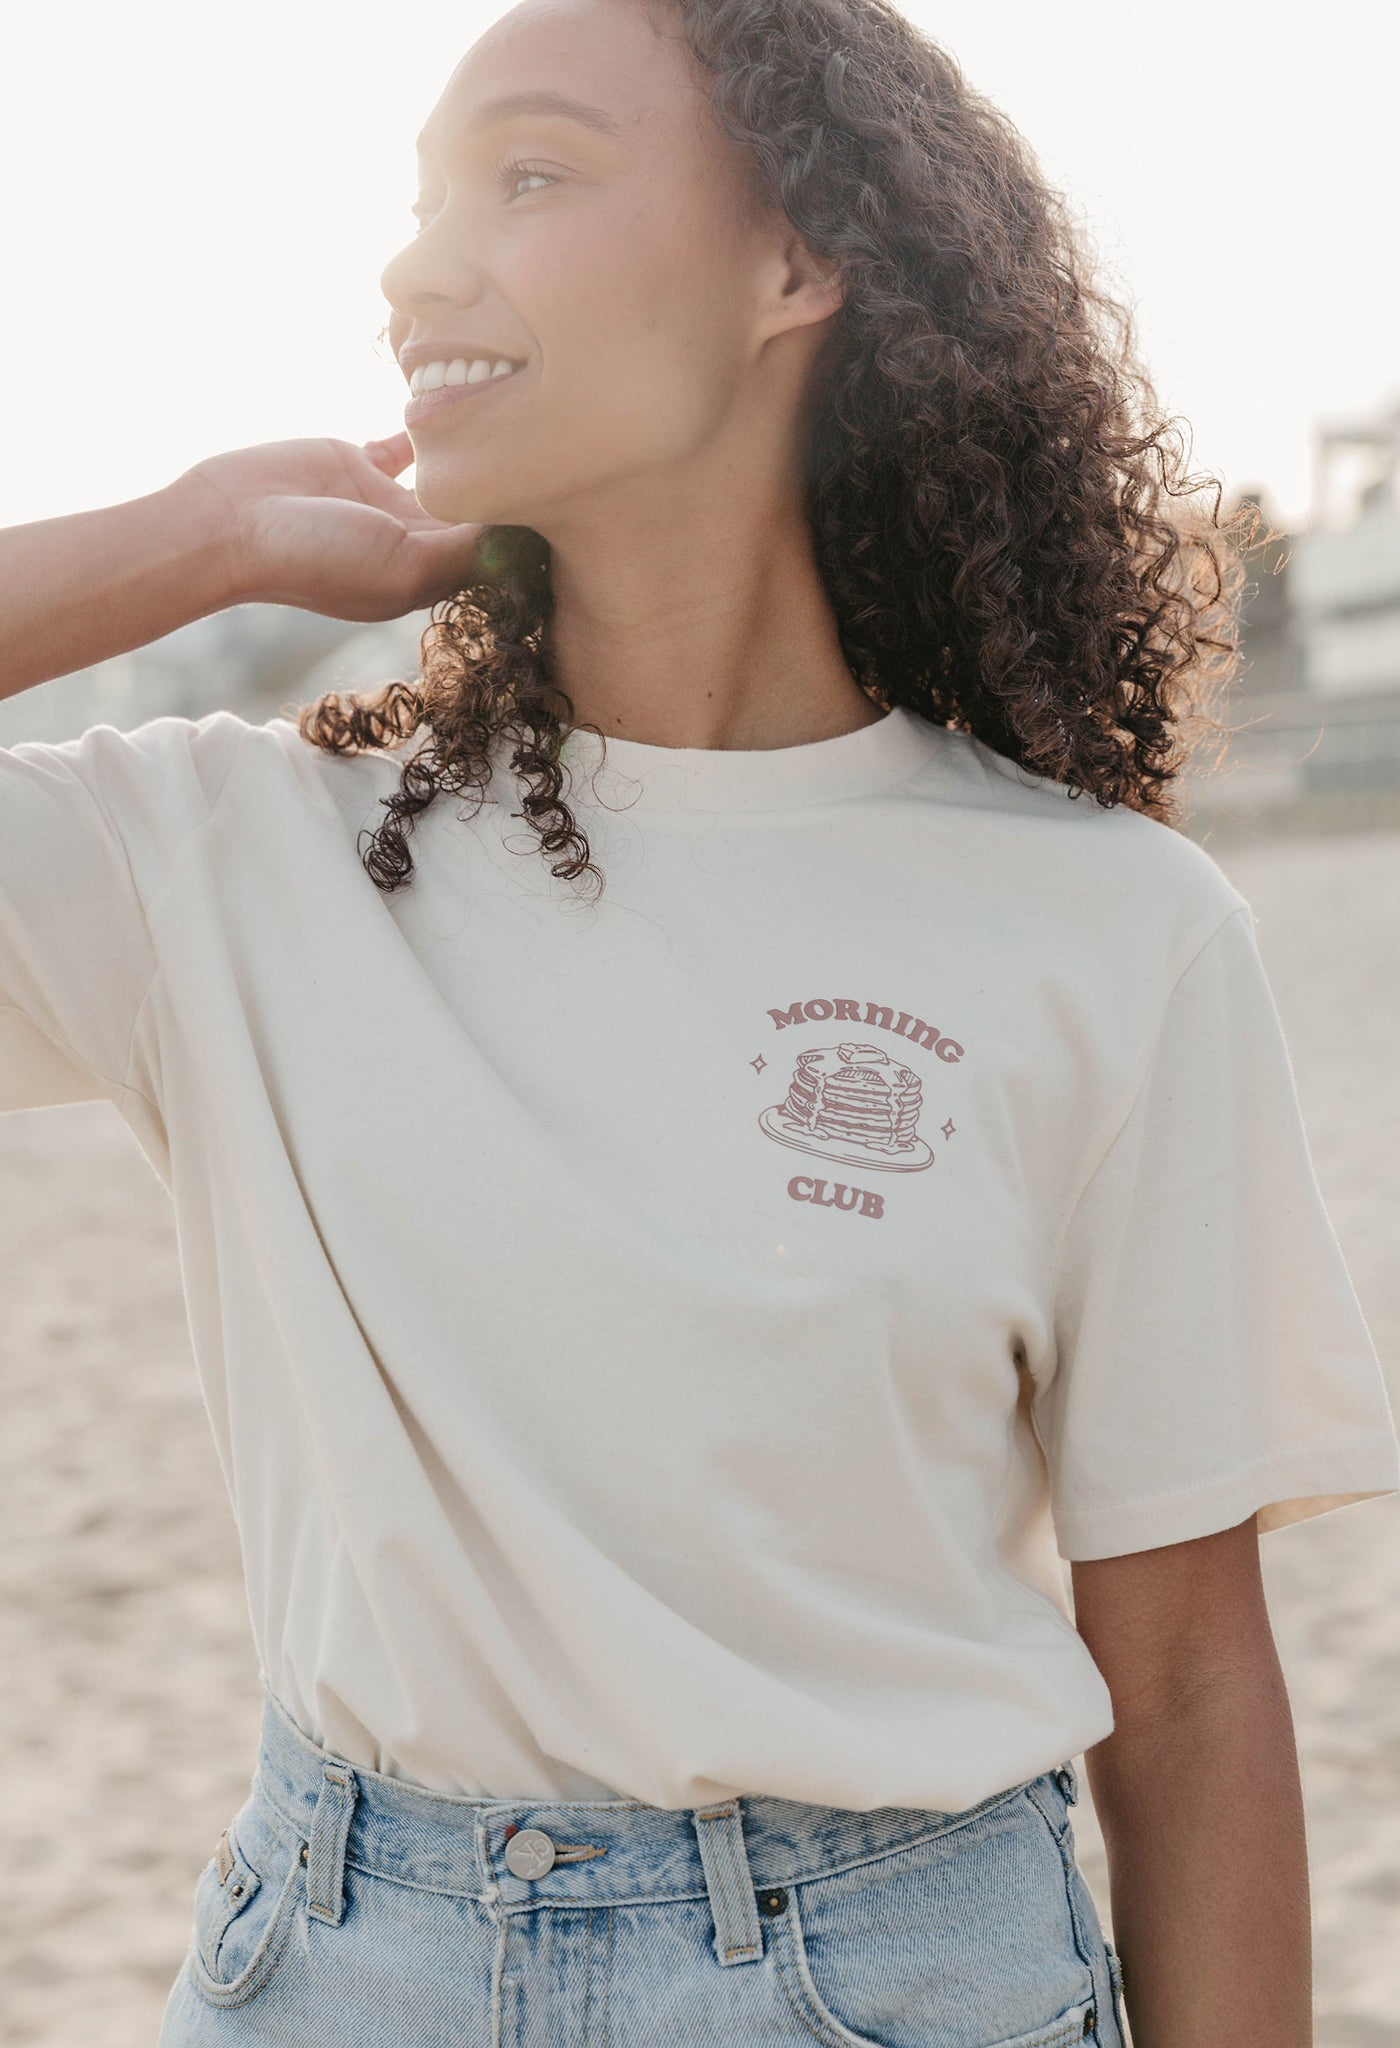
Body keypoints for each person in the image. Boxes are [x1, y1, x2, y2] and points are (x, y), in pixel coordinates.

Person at [2, 0, 1397, 2040]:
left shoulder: (1107, 930)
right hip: (334, 1967)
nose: (415, 263)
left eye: (529, 176)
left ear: (792, 264)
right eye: (415, 204)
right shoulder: (225, 859)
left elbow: (1186, 1686)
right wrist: (199, 537)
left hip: (911, 1979)